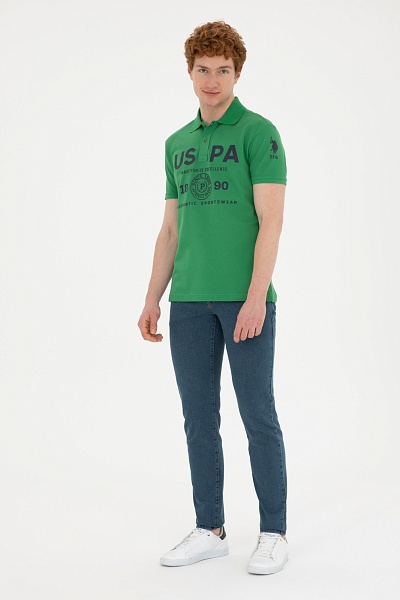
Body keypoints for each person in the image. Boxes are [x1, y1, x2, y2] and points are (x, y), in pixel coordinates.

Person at [138, 20, 288, 575]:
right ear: (189, 71)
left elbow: (271, 221)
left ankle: (273, 531)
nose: (212, 80)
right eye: (203, 69)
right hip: (189, 303)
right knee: (198, 419)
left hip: (244, 301)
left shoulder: (258, 133)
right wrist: (152, 298)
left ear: (237, 73)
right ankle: (210, 528)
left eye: (223, 70)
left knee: (258, 415)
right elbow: (169, 231)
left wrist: (256, 298)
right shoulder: (177, 144)